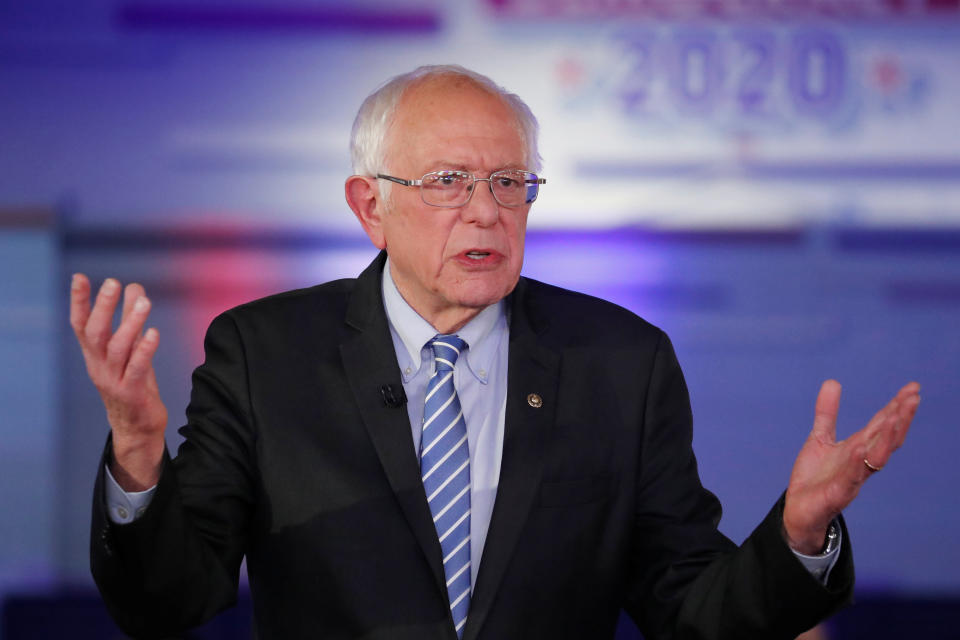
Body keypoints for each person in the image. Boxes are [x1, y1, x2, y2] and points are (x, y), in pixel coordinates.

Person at [70, 65, 920, 640]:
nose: (486, 212)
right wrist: (141, 461)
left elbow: (692, 609)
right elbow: (169, 600)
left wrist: (799, 535)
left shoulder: (620, 362)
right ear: (370, 206)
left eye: (509, 183)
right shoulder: (265, 352)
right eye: (447, 182)